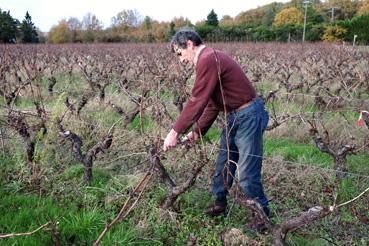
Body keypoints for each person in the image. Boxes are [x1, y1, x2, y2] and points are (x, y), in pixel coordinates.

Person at [163, 28, 270, 219]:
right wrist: (197, 132)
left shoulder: (208, 59)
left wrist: (175, 132)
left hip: (248, 116)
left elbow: (198, 100)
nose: (181, 60)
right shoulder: (208, 59)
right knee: (223, 165)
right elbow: (213, 104)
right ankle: (220, 204)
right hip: (234, 116)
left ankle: (262, 217)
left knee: (246, 174)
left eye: (180, 54)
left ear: (189, 43)